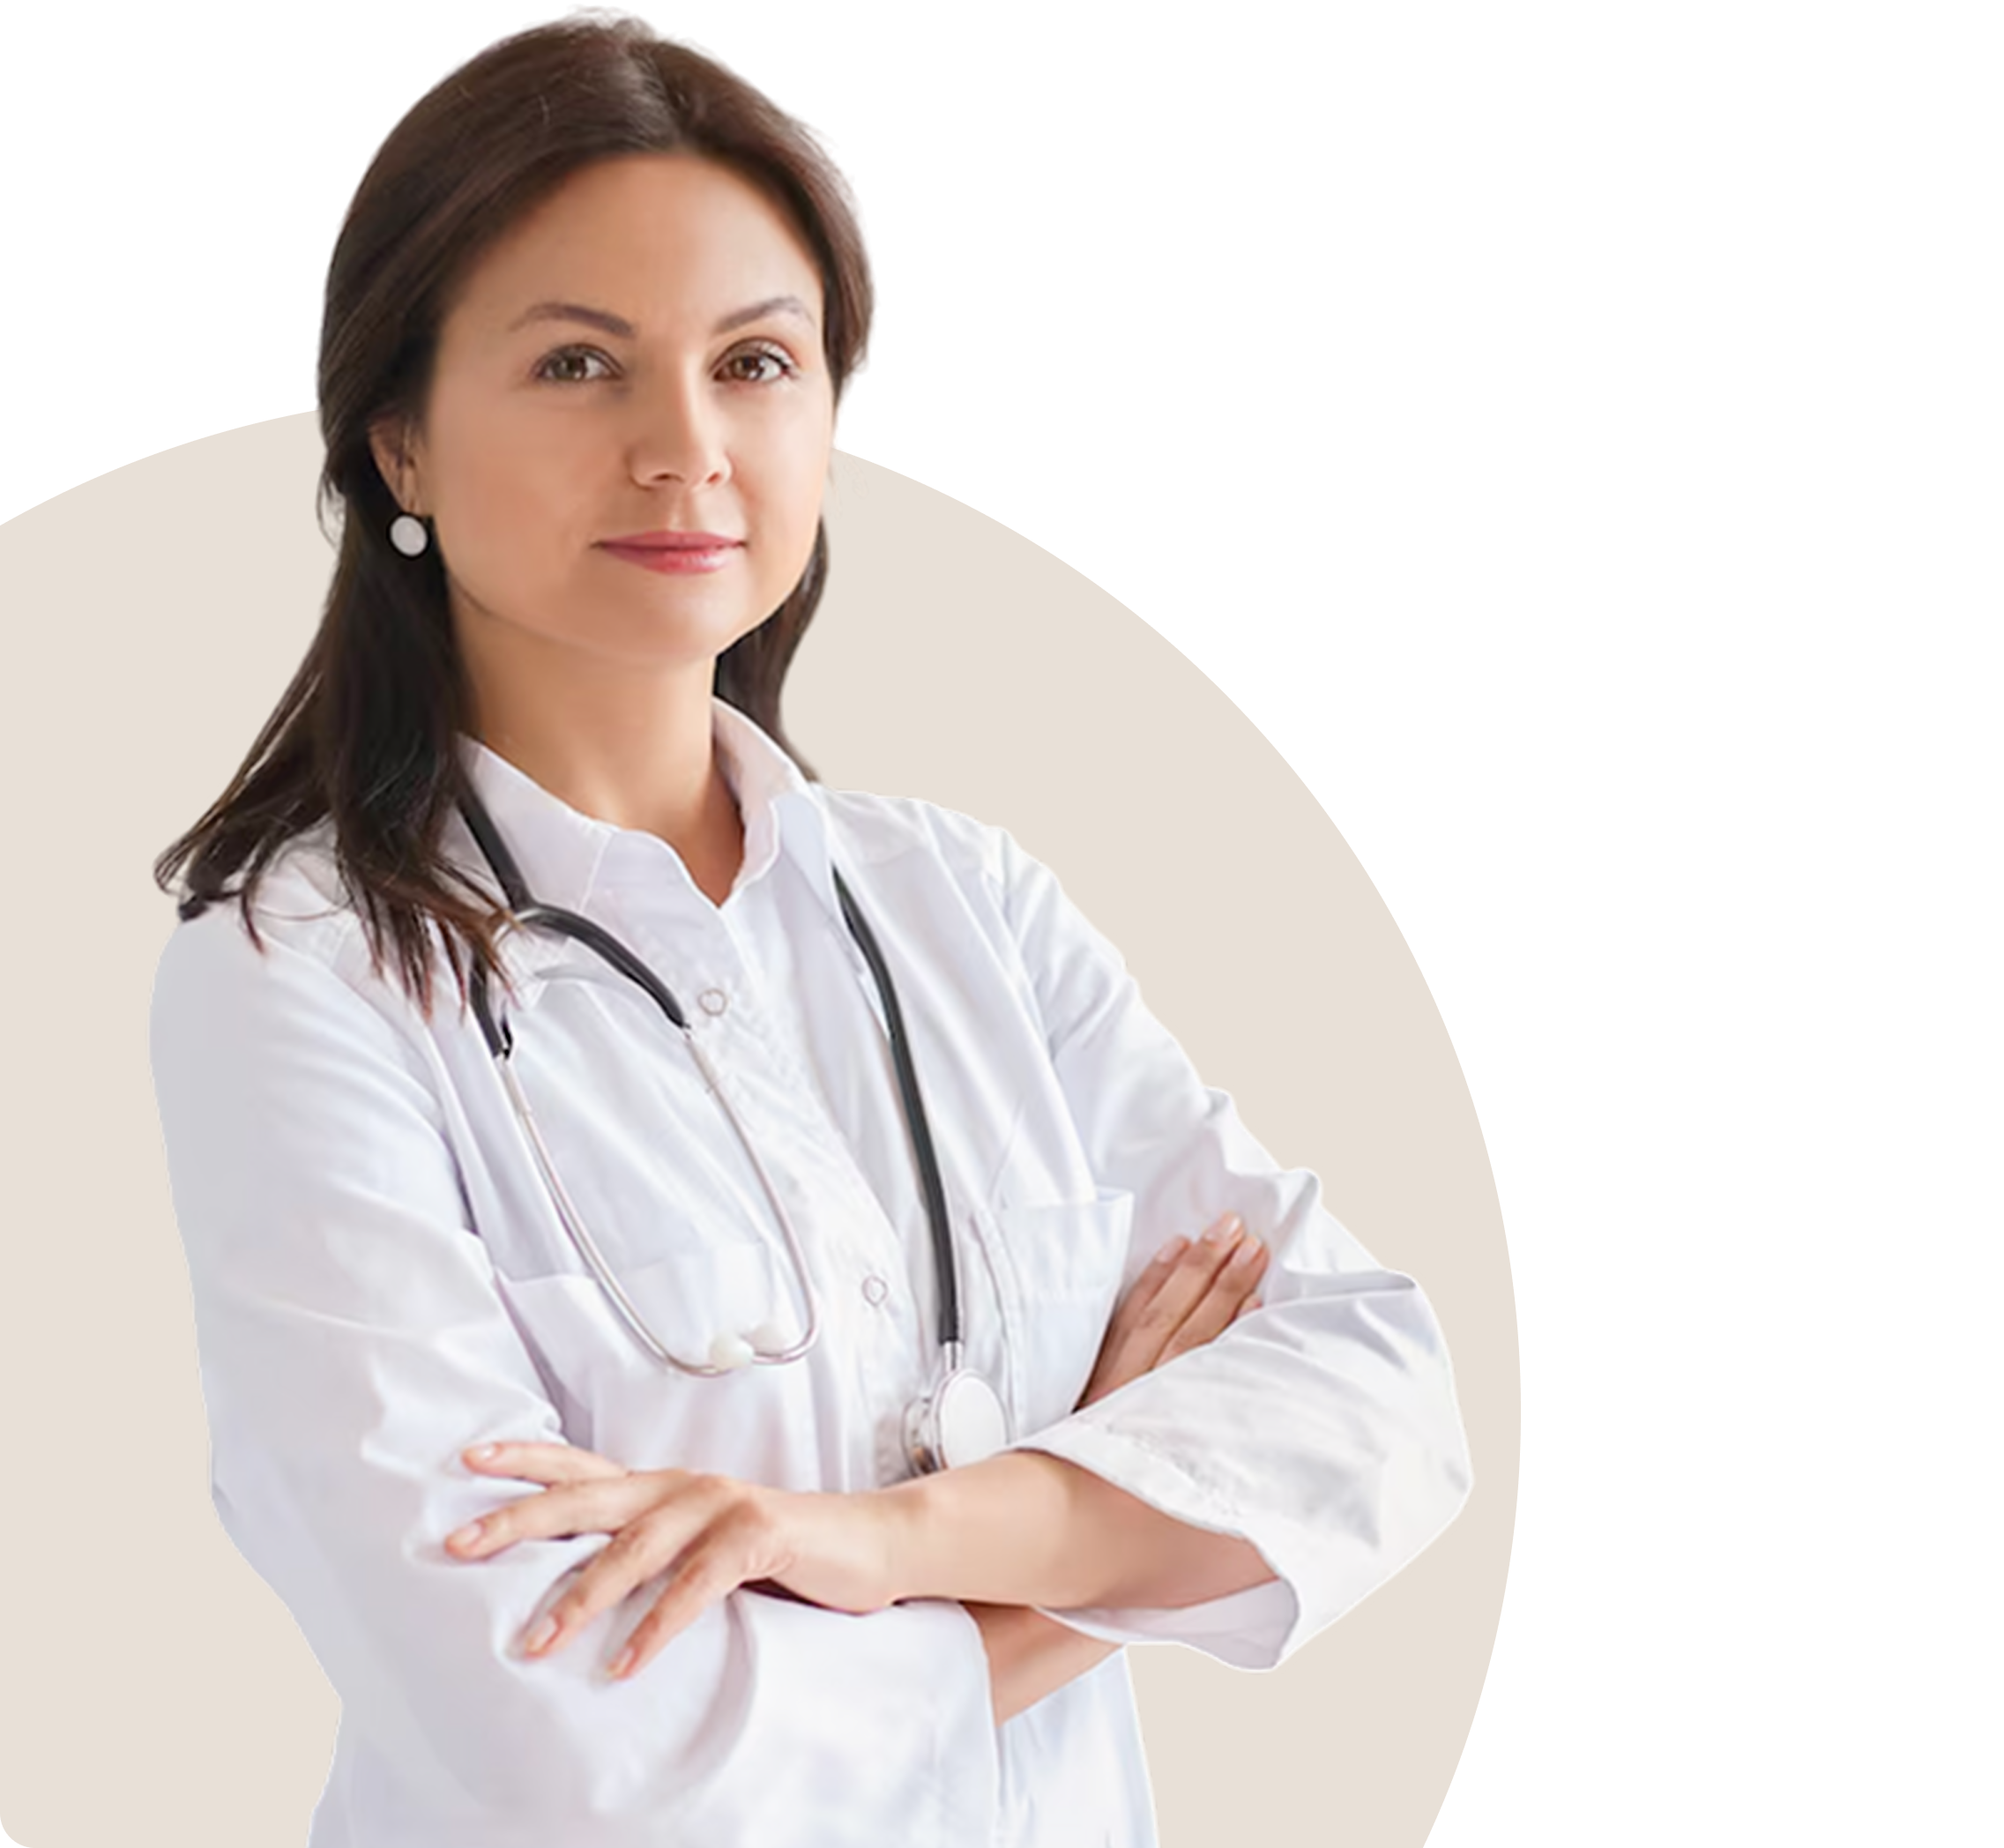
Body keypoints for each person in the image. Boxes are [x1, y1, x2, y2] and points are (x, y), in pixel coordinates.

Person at [139, 11, 1472, 1844]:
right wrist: (1107, 1532)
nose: (684, 449)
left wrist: (886, 1540)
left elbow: (1381, 1396)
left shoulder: (967, 905)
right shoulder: (302, 973)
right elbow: (565, 1741)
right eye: (579, 364)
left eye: (754, 362)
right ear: (400, 445)